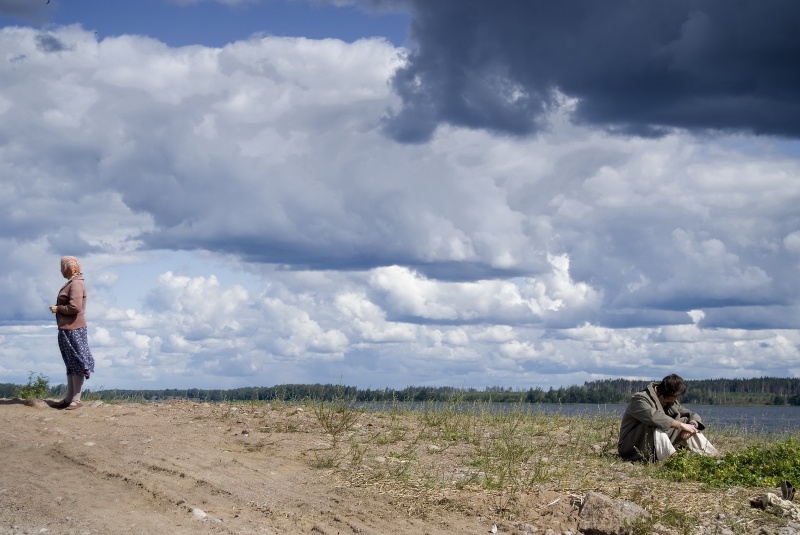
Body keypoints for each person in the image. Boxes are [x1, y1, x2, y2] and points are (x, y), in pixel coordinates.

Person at [618, 374, 718, 462]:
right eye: (676, 396)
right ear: (668, 393)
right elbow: (654, 417)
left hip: (652, 443)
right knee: (657, 424)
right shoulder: (640, 399)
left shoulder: (670, 401)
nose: (677, 399)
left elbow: (690, 414)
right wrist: (681, 425)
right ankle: (670, 460)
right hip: (631, 445)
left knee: (686, 422)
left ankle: (710, 456)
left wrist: (692, 425)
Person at [49, 256, 95, 410]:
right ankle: (69, 398)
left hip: (74, 328)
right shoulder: (73, 283)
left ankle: (76, 399)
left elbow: (75, 307)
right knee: (70, 363)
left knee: (76, 362)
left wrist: (58, 309)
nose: (62, 270)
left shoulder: (75, 284)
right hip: (67, 328)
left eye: (63, 267)